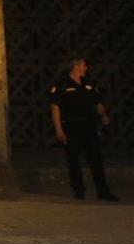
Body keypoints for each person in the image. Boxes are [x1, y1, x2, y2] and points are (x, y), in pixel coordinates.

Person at [49, 58, 119, 201]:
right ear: (76, 67)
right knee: (74, 161)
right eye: (83, 65)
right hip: (71, 128)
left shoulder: (88, 84)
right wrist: (59, 130)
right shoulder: (61, 84)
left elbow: (97, 102)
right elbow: (55, 108)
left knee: (96, 160)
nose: (86, 68)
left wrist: (103, 115)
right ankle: (79, 191)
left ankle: (103, 191)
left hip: (89, 127)